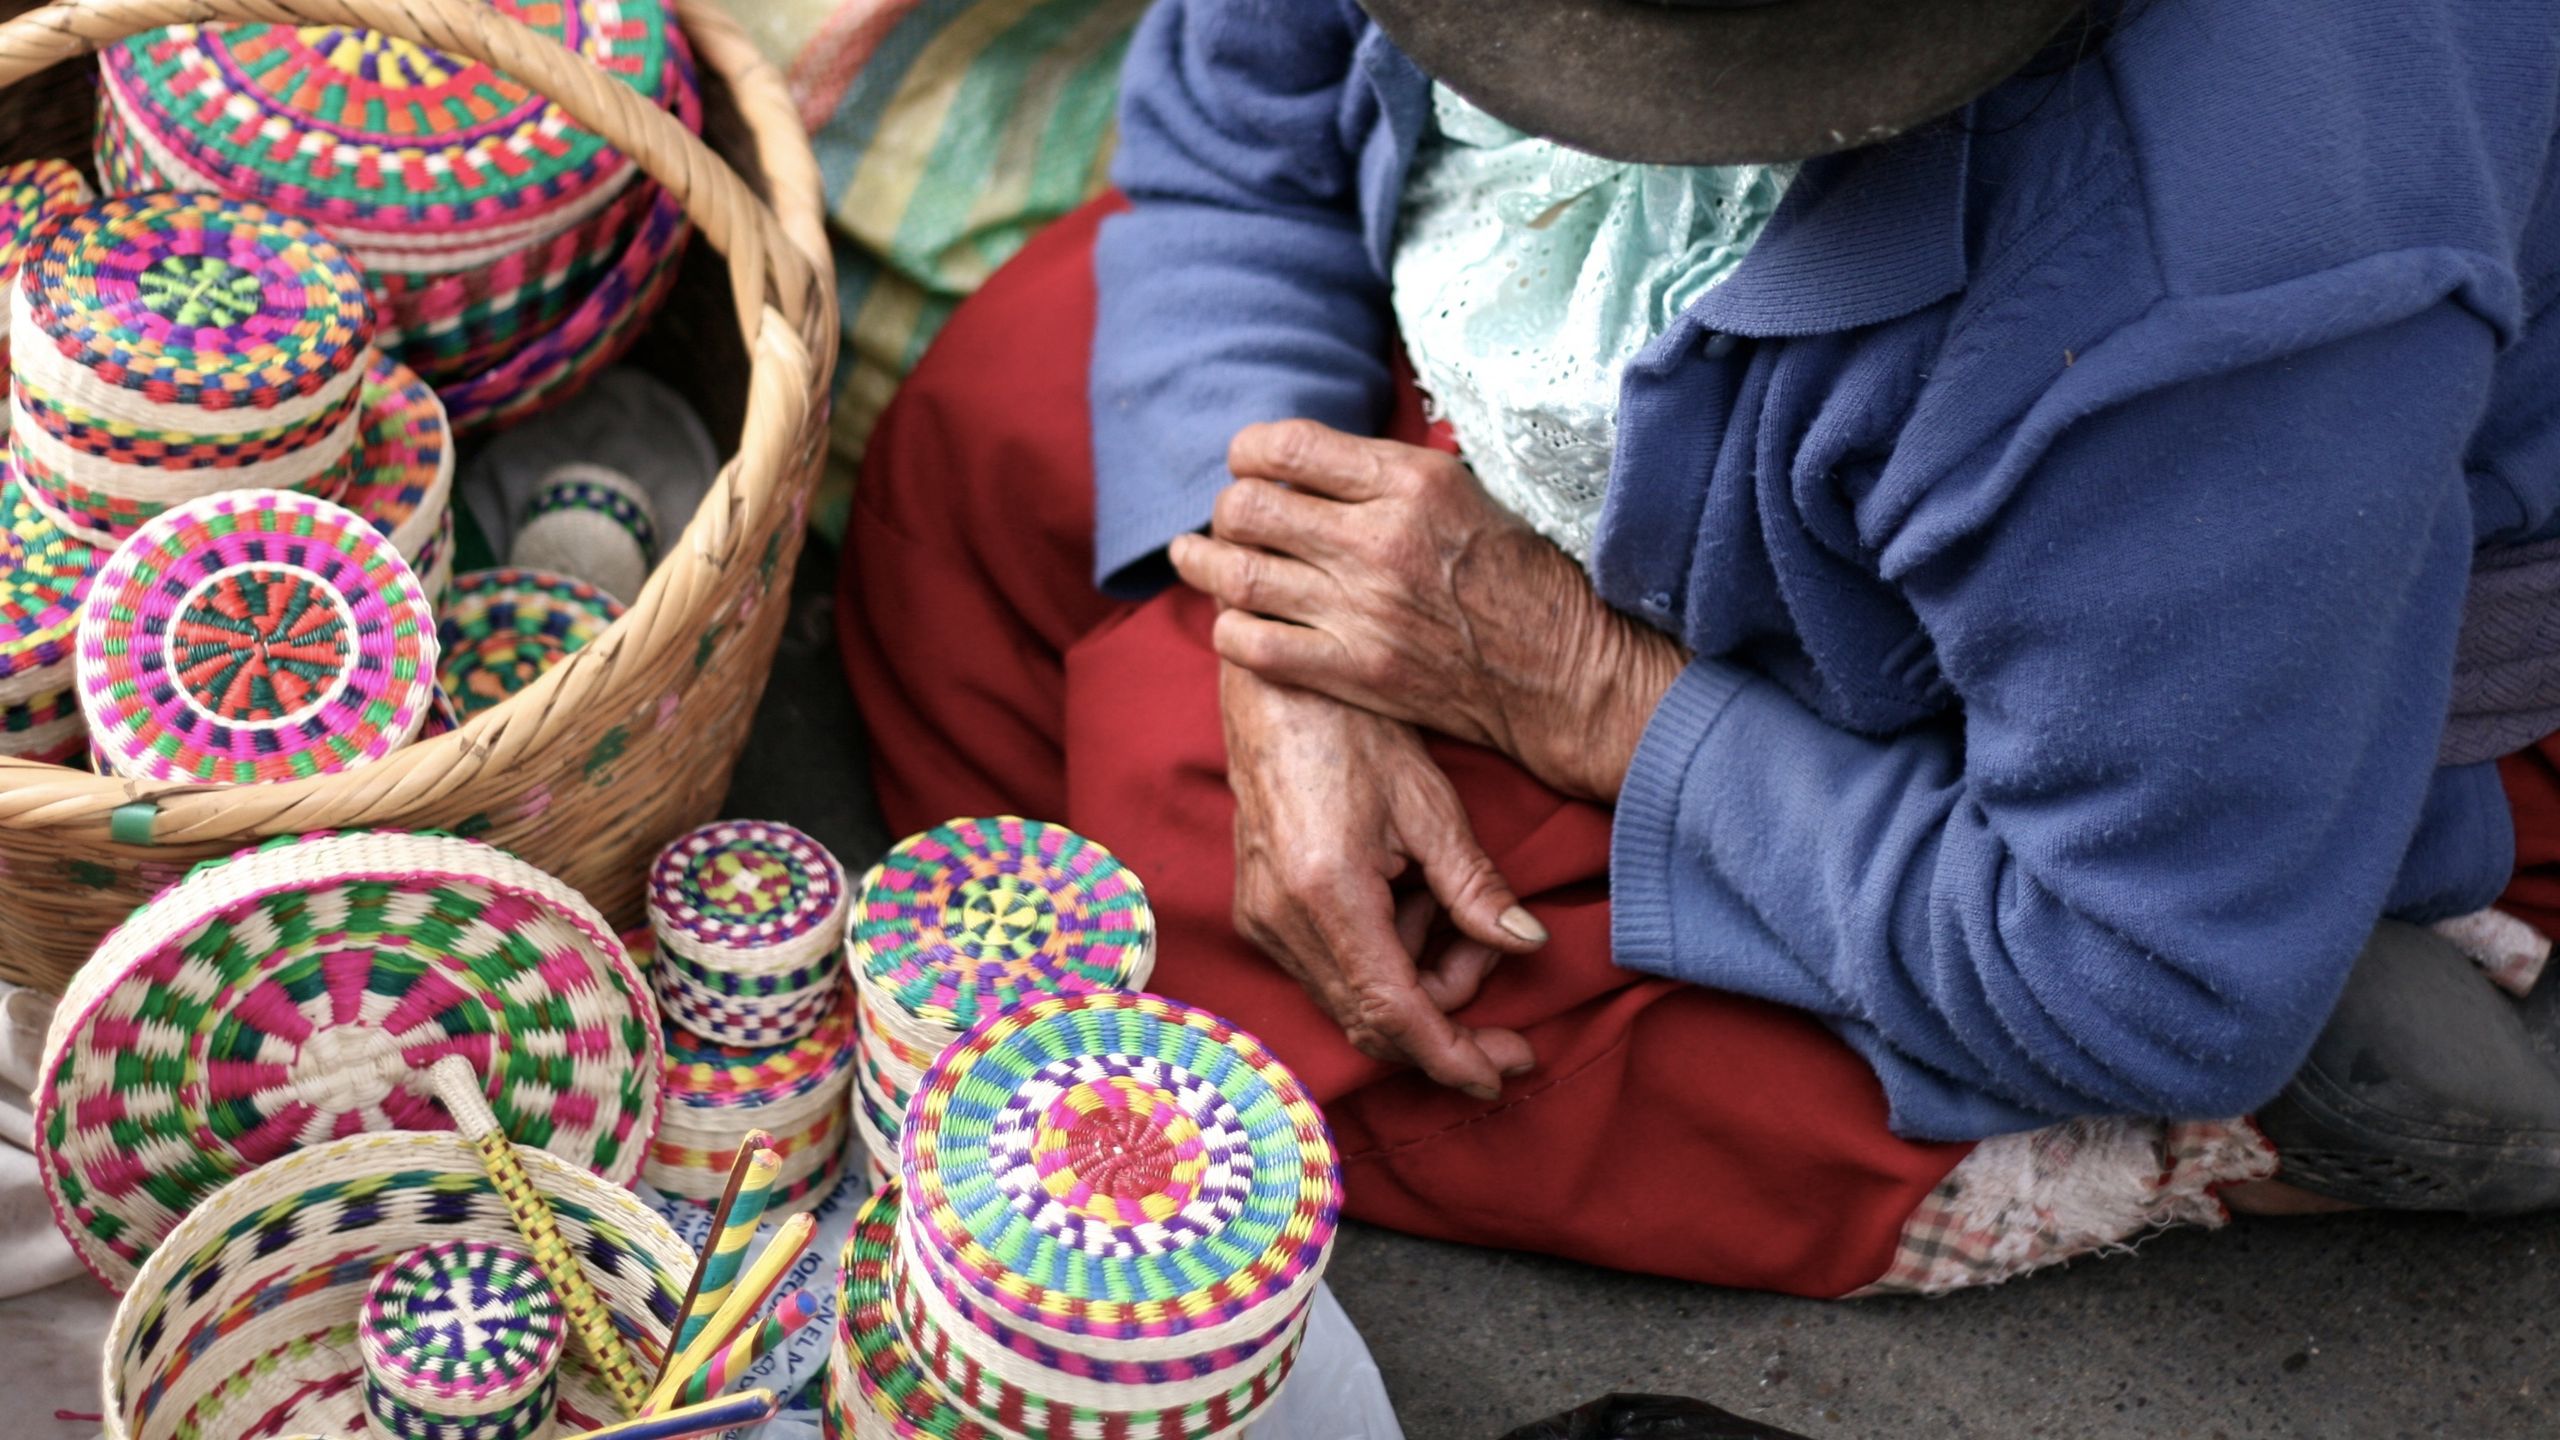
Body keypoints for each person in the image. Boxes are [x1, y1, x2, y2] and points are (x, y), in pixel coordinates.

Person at [840, 0, 2560, 1295]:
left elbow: (2134, 964)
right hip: (1714, 479)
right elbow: (1237, 131)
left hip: (2184, 655)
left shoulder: (2217, 289)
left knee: (1294, 984)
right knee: (1004, 428)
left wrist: (1590, 691)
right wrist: (1280, 630)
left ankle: (2198, 1103)